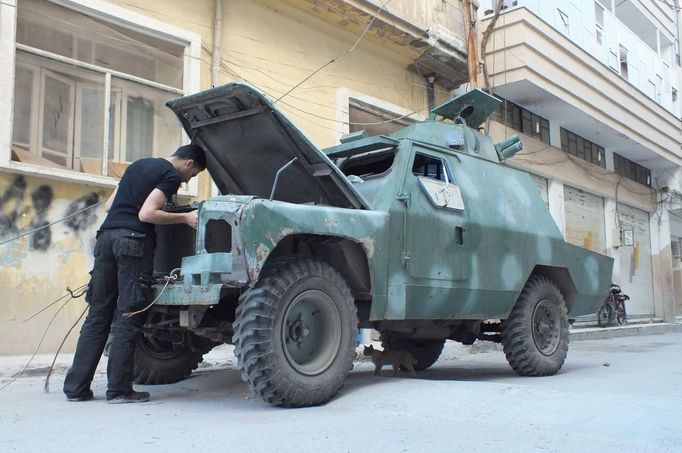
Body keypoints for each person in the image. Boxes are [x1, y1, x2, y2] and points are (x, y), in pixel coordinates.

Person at [63, 144, 206, 403]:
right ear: (189, 163)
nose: (188, 181)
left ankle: (76, 388)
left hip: (106, 239)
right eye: (193, 175)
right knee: (130, 315)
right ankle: (119, 390)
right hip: (132, 243)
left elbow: (109, 206)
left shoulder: (137, 164)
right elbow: (147, 213)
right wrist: (185, 218)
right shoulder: (171, 175)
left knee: (97, 316)